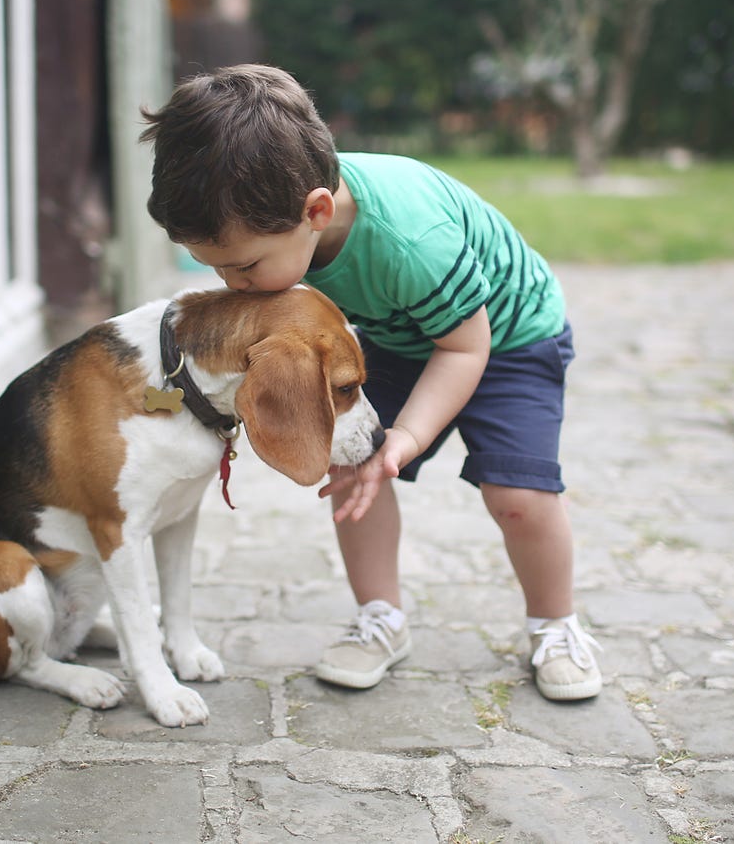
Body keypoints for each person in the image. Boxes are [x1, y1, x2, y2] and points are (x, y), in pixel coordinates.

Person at [141, 63, 602, 701]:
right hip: (400, 330)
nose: (231, 284)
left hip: (505, 337)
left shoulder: (410, 243)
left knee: (517, 492)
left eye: (244, 265)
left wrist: (407, 436)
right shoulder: (282, 219)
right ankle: (380, 617)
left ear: (316, 211)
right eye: (212, 266)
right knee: (355, 463)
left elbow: (466, 348)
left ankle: (556, 624)